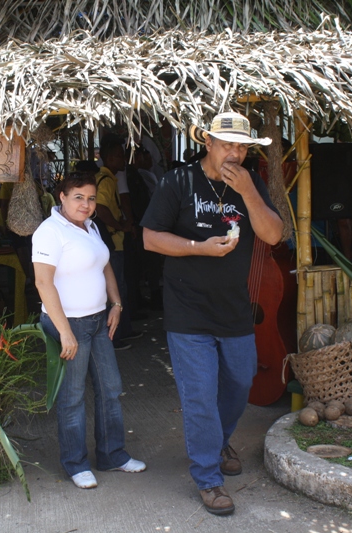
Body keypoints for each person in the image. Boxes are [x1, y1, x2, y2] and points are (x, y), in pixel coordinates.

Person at [141, 111, 282, 516]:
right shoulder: (178, 182)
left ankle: (218, 442)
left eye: (242, 147)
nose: (235, 153)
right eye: (227, 145)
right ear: (208, 143)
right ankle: (208, 478)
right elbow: (150, 238)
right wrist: (197, 248)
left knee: (240, 382)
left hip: (234, 306)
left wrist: (249, 192)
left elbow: (273, 234)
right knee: (200, 394)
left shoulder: (250, 183)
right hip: (187, 308)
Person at [32, 172, 146, 490]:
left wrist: (117, 303)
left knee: (110, 388)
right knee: (72, 397)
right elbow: (43, 282)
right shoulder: (50, 231)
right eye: (78, 197)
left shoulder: (90, 227)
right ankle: (76, 463)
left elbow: (104, 264)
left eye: (91, 198)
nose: (86, 204)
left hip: (97, 321)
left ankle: (112, 455)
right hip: (70, 324)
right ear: (62, 197)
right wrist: (64, 331)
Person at [94, 135, 141, 350]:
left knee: (121, 286)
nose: (124, 160)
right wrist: (119, 225)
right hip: (111, 241)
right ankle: (114, 336)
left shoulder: (109, 178)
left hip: (115, 240)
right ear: (108, 158)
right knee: (116, 289)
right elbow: (100, 208)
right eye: (119, 156)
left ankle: (124, 329)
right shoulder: (105, 180)